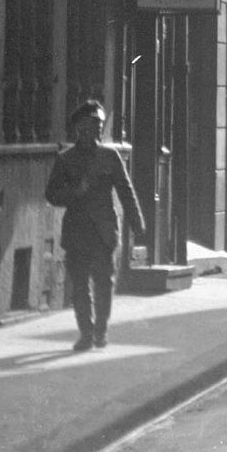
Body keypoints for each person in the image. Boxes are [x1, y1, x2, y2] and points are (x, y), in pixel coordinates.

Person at [45, 100, 145, 351]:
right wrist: (74, 192)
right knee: (79, 286)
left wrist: (137, 222)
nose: (95, 131)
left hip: (103, 232)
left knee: (103, 284)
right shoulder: (65, 159)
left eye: (99, 126)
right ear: (78, 129)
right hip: (77, 231)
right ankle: (86, 333)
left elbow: (126, 190)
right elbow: (52, 194)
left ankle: (100, 329)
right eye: (90, 126)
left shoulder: (109, 157)